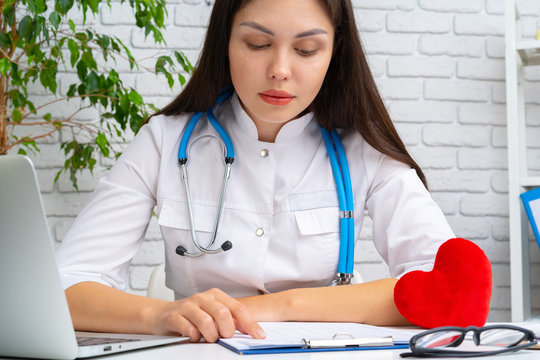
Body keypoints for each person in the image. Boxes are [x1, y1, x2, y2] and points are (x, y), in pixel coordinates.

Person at [56, 0, 455, 344]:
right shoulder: (164, 141)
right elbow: (62, 287)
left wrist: (275, 307)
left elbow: (450, 288)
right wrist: (163, 315)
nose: (280, 69)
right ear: (225, 44)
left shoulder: (364, 151)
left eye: (307, 49)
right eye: (258, 43)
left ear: (335, 54)